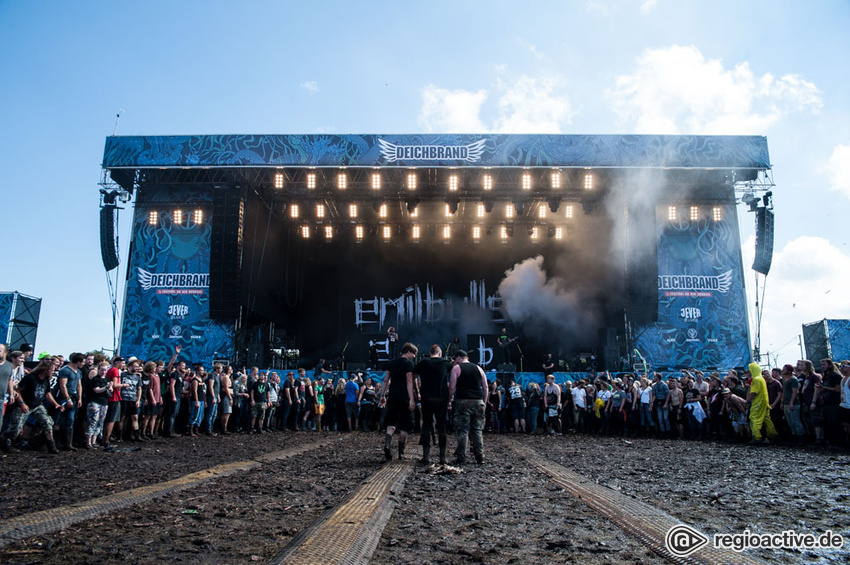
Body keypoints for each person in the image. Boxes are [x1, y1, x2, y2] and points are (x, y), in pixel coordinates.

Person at [9, 358, 62, 453]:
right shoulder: (31, 378)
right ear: (45, 369)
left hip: (37, 405)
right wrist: (22, 404)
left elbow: (47, 394)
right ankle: (7, 443)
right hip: (25, 404)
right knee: (16, 427)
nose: (53, 372)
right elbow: (18, 391)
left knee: (47, 422)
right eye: (52, 370)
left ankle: (51, 445)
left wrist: (56, 404)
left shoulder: (46, 380)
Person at [448, 350, 489, 464]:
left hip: (463, 402)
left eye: (455, 359)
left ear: (459, 357)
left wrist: (449, 400)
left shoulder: (456, 368)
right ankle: (479, 456)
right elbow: (485, 387)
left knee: (463, 430)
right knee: (477, 430)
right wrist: (484, 402)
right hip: (478, 401)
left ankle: (461, 456)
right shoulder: (479, 368)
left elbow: (452, 387)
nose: (455, 361)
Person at [414, 344, 452, 464]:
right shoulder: (445, 363)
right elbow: (454, 374)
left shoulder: (423, 363)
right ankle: (442, 457)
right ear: (440, 353)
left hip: (427, 397)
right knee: (441, 426)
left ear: (430, 352)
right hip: (441, 397)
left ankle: (425, 457)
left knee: (426, 424)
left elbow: (413, 375)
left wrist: (417, 390)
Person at [382, 342, 417, 461]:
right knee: (404, 426)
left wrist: (382, 394)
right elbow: (409, 381)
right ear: (408, 352)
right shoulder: (409, 363)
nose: (414, 356)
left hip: (392, 397)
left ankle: (387, 444)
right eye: (413, 354)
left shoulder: (392, 363)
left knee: (391, 423)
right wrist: (412, 399)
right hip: (404, 398)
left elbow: (386, 379)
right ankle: (401, 453)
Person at [85, 361, 112, 448]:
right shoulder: (95, 379)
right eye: (101, 370)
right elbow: (96, 390)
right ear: (98, 370)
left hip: (104, 402)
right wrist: (106, 387)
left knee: (100, 422)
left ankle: (94, 441)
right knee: (93, 421)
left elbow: (110, 390)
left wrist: (110, 387)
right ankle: (88, 442)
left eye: (105, 370)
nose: (103, 372)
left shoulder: (107, 379)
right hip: (95, 402)